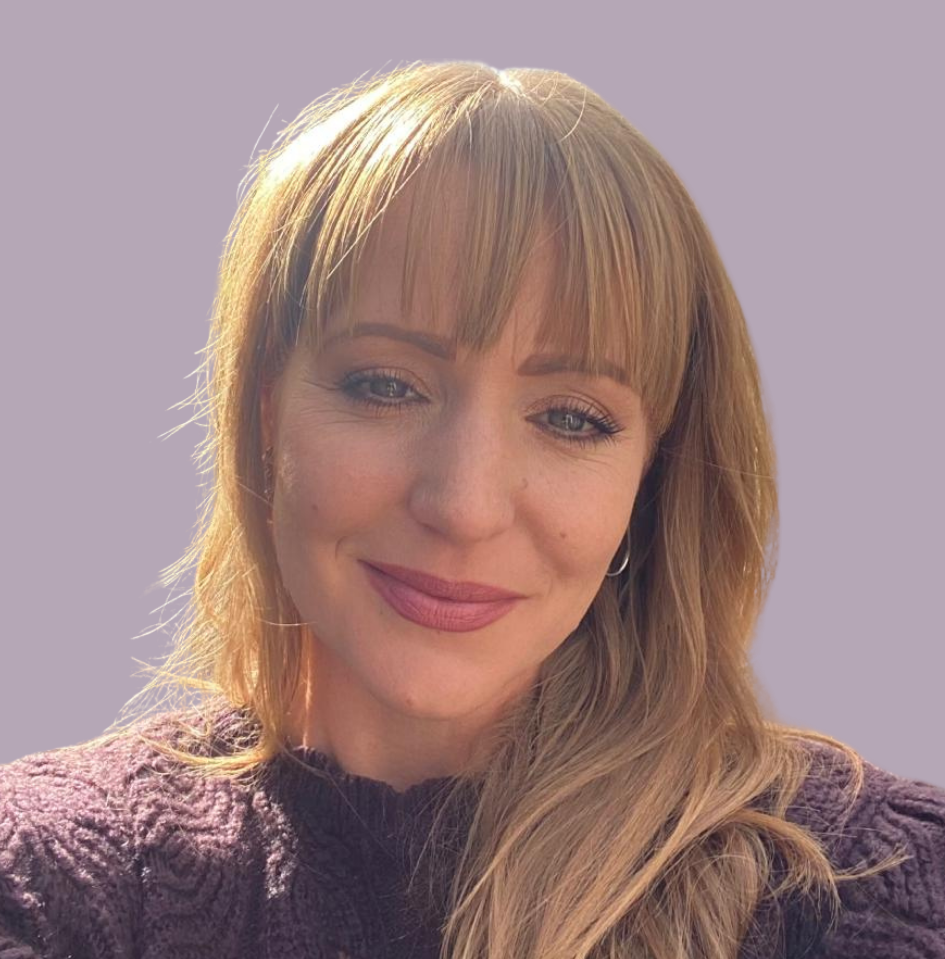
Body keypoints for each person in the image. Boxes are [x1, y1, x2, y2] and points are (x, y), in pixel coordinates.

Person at [1, 60, 942, 959]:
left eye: (570, 418)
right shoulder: (46, 879)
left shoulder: (868, 884)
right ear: (263, 409)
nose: (463, 505)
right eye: (386, 385)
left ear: (653, 480)